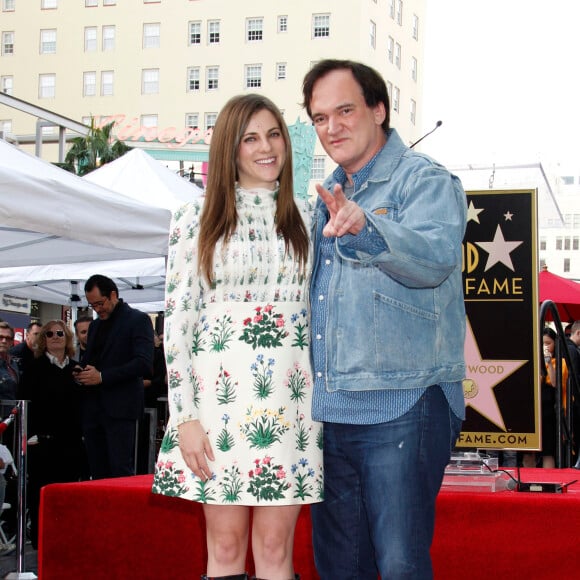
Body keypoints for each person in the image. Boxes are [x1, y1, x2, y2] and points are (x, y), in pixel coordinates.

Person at [301, 59, 467, 579]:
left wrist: (369, 229)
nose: (333, 128)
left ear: (379, 109)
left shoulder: (426, 181)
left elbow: (435, 256)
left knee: (400, 567)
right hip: (330, 412)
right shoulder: (325, 197)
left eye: (345, 110)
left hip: (404, 405)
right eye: (320, 117)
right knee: (340, 569)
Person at [152, 93, 323, 580]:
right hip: (216, 409)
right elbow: (179, 323)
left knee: (275, 547)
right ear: (230, 147)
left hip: (291, 405)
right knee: (224, 546)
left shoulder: (309, 217)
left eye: (274, 135)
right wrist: (184, 417)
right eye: (250, 138)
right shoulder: (194, 219)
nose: (266, 147)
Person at [75, 275, 154, 479]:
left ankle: (120, 512)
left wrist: (102, 376)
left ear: (113, 295)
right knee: (97, 470)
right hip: (93, 410)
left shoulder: (138, 320)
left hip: (120, 409)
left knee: (120, 471)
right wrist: (80, 372)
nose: (97, 309)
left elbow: (143, 363)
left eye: (100, 303)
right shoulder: (95, 326)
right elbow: (90, 359)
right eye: (92, 306)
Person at [19, 320, 86, 549]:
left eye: (60, 333)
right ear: (43, 339)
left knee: (67, 494)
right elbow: (25, 403)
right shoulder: (33, 367)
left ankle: (65, 541)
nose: (55, 337)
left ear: (67, 337)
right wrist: (30, 436)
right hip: (43, 442)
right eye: (49, 334)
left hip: (71, 443)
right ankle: (41, 543)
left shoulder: (77, 369)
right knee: (42, 496)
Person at [523, 327, 568, 469]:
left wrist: (548, 362)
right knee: (528, 452)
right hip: (530, 408)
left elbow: (556, 383)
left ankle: (549, 483)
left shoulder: (560, 362)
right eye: (541, 343)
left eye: (548, 343)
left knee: (548, 451)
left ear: (555, 343)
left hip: (548, 410)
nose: (545, 346)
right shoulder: (530, 360)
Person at [0, 322, 18, 401]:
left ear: (11, 342)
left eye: (8, 338)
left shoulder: (13, 364)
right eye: (0, 337)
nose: (4, 341)